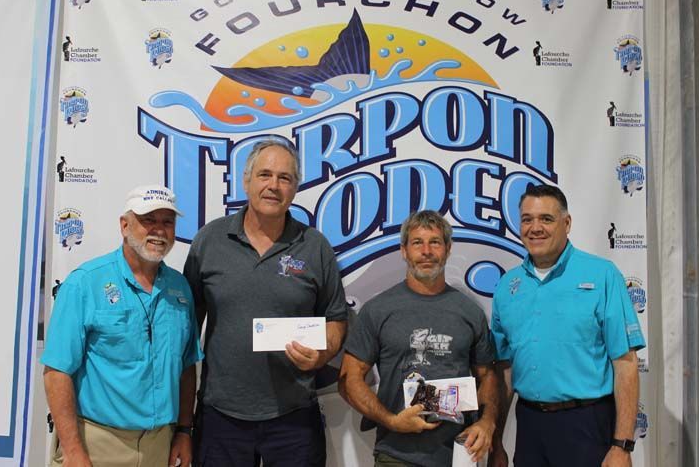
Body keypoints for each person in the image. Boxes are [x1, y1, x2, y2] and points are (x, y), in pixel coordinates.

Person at [184, 138, 348, 466]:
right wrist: (181, 422)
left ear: (295, 188)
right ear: (246, 182)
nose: (274, 185)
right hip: (220, 416)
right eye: (265, 175)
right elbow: (186, 327)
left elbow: (335, 318)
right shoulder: (209, 240)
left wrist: (322, 354)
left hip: (294, 417)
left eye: (284, 178)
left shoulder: (315, 246)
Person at [41, 185, 203, 467]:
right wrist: (73, 451)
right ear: (125, 225)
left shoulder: (179, 288)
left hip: (160, 446)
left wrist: (183, 430)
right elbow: (56, 371)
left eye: (167, 222)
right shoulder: (85, 283)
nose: (159, 230)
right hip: (97, 444)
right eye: (148, 220)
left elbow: (187, 366)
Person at [490, 184, 645, 467]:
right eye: (527, 219)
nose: (535, 228)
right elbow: (505, 370)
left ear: (567, 223)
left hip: (587, 425)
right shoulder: (507, 286)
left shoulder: (602, 275)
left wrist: (622, 446)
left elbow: (625, 363)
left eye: (546, 219)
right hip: (529, 426)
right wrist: (497, 440)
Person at [338, 210, 498, 467]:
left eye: (435, 242)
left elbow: (487, 376)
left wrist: (487, 421)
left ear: (448, 249)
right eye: (417, 243)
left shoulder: (470, 312)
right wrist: (391, 420)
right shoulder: (378, 310)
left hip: (460, 455)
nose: (426, 251)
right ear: (404, 251)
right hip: (397, 456)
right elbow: (348, 379)